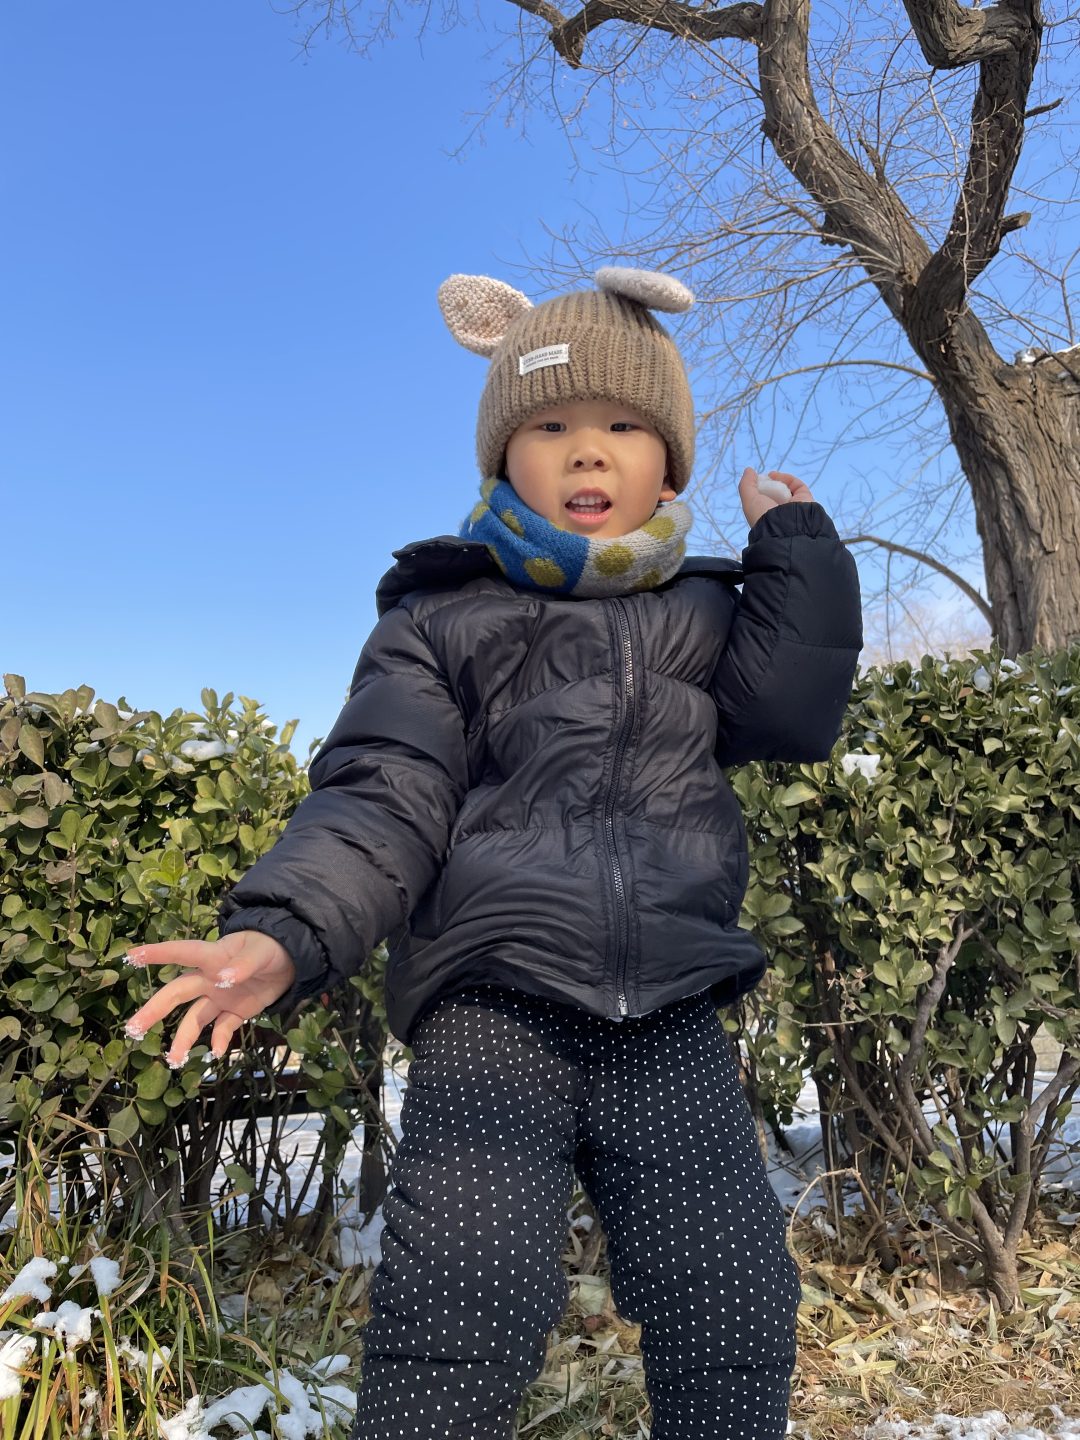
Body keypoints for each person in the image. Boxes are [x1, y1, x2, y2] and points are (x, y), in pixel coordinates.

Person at [123, 265, 863, 1439]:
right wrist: (285, 931)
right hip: (493, 1009)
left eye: (624, 427)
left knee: (731, 1295)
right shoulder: (440, 619)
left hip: (669, 1007)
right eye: (551, 427)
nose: (587, 451)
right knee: (463, 1299)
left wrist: (796, 549)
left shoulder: (708, 612)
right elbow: (385, 790)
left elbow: (790, 713)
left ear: (669, 466)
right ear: (502, 459)